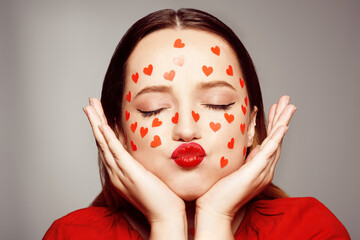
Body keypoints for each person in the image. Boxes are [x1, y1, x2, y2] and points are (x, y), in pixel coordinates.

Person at [43, 8, 350, 240]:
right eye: (154, 109)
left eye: (218, 103)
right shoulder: (72, 234)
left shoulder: (310, 230)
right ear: (119, 133)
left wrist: (216, 216)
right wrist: (166, 222)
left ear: (253, 127)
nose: (186, 129)